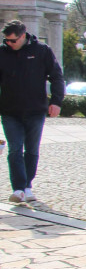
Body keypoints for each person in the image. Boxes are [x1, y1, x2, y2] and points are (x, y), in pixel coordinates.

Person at [0, 20, 64, 203]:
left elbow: (57, 77)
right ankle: (19, 189)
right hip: (10, 111)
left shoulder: (42, 51)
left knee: (32, 150)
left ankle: (28, 186)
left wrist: (56, 102)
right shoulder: (2, 52)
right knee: (14, 149)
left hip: (35, 110)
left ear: (23, 35)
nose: (9, 44)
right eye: (6, 41)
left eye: (13, 40)